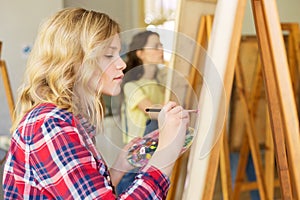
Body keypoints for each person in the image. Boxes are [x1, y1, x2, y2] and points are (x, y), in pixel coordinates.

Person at [2, 8, 190, 199]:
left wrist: (119, 166)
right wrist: (167, 152)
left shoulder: (70, 120)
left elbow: (90, 192)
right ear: (74, 61)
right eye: (109, 55)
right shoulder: (51, 125)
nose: (122, 64)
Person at [121, 30, 166, 144]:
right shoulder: (131, 86)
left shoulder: (160, 83)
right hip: (139, 152)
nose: (161, 49)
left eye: (161, 45)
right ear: (140, 54)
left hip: (158, 144)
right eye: (155, 46)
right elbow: (152, 111)